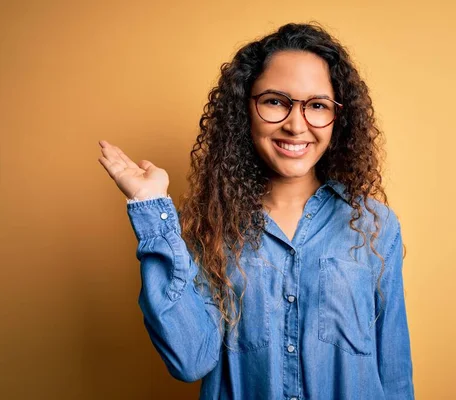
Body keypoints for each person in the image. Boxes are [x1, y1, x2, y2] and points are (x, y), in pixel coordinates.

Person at [98, 22, 414, 400]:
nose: (296, 125)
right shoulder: (210, 227)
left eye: (317, 105)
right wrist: (152, 212)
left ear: (338, 119)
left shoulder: (374, 226)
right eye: (275, 101)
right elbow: (189, 360)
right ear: (244, 109)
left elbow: (394, 374)